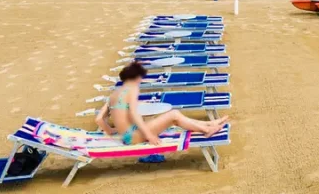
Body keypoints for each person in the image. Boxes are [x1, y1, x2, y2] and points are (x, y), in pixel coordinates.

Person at [95, 62, 229, 145]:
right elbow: (135, 115)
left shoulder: (113, 95)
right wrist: (149, 136)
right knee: (174, 114)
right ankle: (207, 130)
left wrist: (111, 130)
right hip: (134, 136)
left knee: (174, 118)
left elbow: (99, 119)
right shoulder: (133, 89)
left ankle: (209, 124)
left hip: (127, 136)